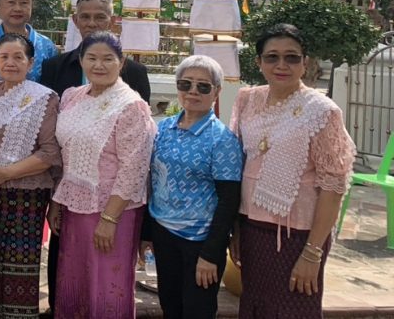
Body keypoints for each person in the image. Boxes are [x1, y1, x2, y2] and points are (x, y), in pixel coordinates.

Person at [230, 24, 356, 318]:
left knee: (293, 309)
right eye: (272, 57)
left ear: (305, 63)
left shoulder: (321, 111)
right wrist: (235, 229)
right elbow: (240, 166)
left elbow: (333, 185)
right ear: (259, 62)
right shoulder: (248, 100)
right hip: (252, 231)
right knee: (254, 307)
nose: (282, 65)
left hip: (297, 237)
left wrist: (312, 253)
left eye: (292, 57)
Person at [39, 0, 151, 315]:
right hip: (75, 207)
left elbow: (134, 167)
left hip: (111, 211)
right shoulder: (73, 96)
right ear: (81, 60)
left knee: (107, 286)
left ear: (121, 63)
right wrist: (57, 203)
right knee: (73, 283)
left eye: (108, 59)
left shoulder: (131, 105)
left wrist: (110, 218)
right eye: (92, 58)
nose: (99, 65)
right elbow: (65, 153)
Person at [0, 33, 60, 319]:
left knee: (18, 261)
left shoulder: (44, 98)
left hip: (25, 196)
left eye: (18, 57)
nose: (11, 62)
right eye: (4, 56)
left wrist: (5, 173)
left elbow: (49, 153)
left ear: (30, 63)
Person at [140, 55, 242, 319]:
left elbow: (229, 200)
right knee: (170, 305)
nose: (193, 91)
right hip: (164, 233)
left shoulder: (222, 139)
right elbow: (152, 182)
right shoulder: (163, 129)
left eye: (203, 86)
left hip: (200, 241)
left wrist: (211, 253)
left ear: (217, 92)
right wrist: (146, 235)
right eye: (186, 84)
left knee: (197, 310)